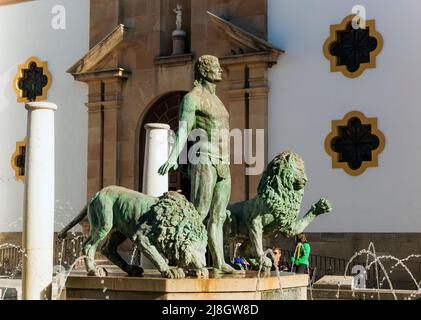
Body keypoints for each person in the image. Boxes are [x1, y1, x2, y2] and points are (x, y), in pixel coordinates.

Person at [158, 55, 239, 275]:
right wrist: (174, 156)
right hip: (204, 159)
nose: (220, 70)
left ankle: (220, 262)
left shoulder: (217, 100)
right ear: (203, 72)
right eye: (215, 67)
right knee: (200, 213)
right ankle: (186, 259)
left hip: (224, 162)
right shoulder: (192, 98)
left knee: (219, 216)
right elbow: (184, 129)